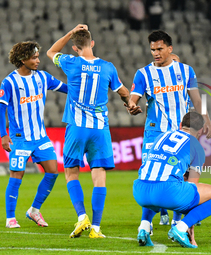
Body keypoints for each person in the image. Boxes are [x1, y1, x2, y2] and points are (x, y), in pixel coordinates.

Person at [46, 24, 137, 238]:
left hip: (77, 127)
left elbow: (51, 52)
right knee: (99, 175)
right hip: (100, 129)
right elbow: (123, 91)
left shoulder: (70, 62)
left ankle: (81, 217)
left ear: (75, 48)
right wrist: (130, 104)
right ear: (92, 43)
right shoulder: (108, 67)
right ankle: (96, 228)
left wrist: (70, 33)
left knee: (71, 172)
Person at [128, 30, 211, 225]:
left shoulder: (186, 71)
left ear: (169, 48)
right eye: (152, 50)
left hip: (180, 131)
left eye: (159, 49)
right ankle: (146, 222)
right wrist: (132, 105)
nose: (156, 53)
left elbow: (196, 99)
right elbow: (133, 97)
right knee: (150, 173)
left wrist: (206, 118)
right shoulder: (143, 74)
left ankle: (176, 218)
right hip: (155, 133)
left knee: (183, 173)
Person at [0, 41, 67, 228]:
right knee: (16, 175)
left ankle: (34, 210)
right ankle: (10, 218)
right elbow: (0, 109)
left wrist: (83, 90)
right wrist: (3, 135)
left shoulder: (43, 77)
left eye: (37, 57)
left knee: (53, 171)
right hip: (20, 139)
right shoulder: (9, 82)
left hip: (40, 137)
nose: (38, 60)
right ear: (22, 59)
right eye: (34, 57)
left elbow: (66, 88)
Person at [133, 112, 211, 248]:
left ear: (181, 125)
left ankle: (144, 227)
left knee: (155, 182)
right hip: (167, 192)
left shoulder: (161, 136)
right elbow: (192, 185)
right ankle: (180, 228)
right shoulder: (196, 146)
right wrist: (189, 221)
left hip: (139, 190)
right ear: (200, 130)